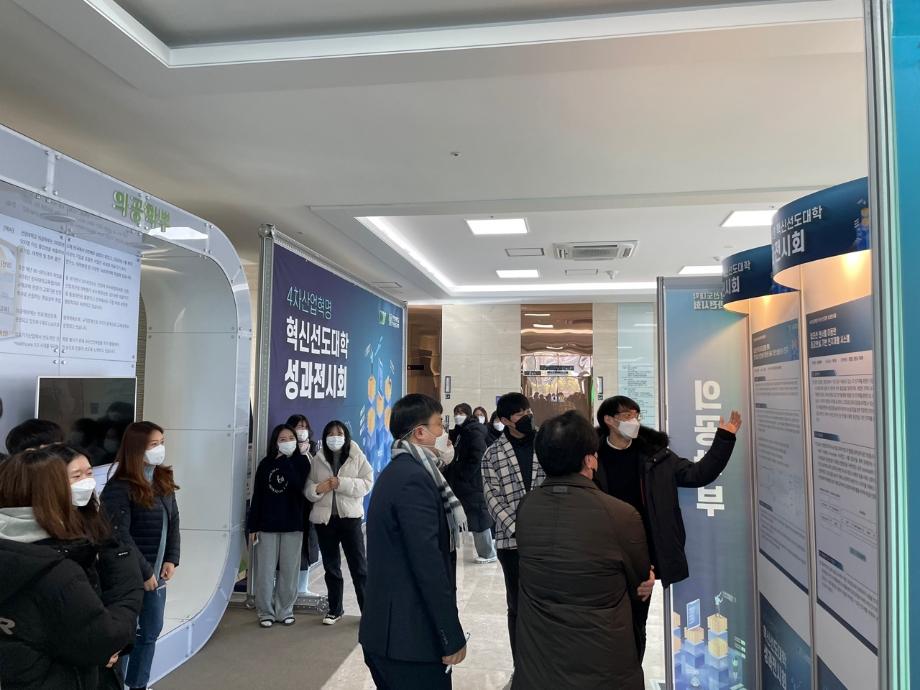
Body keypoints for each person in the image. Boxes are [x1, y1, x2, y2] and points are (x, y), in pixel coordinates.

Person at [594, 395, 741, 661]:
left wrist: (724, 438)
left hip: (643, 557)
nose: (634, 421)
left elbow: (697, 474)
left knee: (636, 625)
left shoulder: (655, 456)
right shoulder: (592, 458)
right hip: (603, 555)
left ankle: (631, 673)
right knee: (603, 626)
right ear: (609, 420)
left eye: (636, 415)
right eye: (627, 416)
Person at [512, 411, 650, 690]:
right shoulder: (621, 514)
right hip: (603, 661)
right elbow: (639, 582)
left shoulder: (527, 506)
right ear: (589, 459)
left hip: (538, 659)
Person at [0, 448, 143, 690]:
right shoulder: (57, 572)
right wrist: (127, 578)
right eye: (71, 479)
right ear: (51, 493)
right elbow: (102, 640)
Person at [360, 394, 467, 689]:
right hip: (409, 642)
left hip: (392, 637)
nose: (443, 433)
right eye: (439, 425)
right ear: (420, 432)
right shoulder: (414, 480)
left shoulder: (399, 471)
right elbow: (428, 564)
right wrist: (450, 634)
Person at [101, 421, 180, 690]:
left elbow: (173, 521)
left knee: (150, 631)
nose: (160, 449)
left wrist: (172, 558)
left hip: (158, 574)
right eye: (153, 444)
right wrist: (144, 571)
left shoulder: (162, 478)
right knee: (125, 636)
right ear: (136, 449)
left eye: (162, 443)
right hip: (130, 576)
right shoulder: (119, 488)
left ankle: (138, 685)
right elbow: (118, 536)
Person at [482, 393, 544, 668]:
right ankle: (522, 665)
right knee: (517, 605)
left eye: (528, 411)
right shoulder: (493, 454)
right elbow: (492, 498)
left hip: (547, 538)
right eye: (520, 414)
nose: (527, 416)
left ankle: (545, 664)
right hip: (512, 543)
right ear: (506, 420)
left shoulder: (546, 443)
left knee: (546, 604)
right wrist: (520, 530)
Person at [305, 420, 373, 625]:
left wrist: (341, 483)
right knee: (331, 567)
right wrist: (318, 489)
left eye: (339, 433)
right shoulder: (318, 458)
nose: (335, 437)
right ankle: (335, 609)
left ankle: (368, 612)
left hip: (350, 519)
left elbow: (367, 483)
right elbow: (308, 487)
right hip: (325, 521)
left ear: (346, 436)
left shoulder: (357, 456)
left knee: (359, 567)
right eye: (331, 434)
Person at [247, 423, 311, 628]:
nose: (287, 442)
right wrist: (253, 526)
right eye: (282, 439)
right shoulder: (265, 464)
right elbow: (257, 496)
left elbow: (299, 486)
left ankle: (285, 610)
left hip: (293, 525)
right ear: (275, 442)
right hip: (267, 526)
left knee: (289, 571)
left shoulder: (302, 462)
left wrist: (285, 461)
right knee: (265, 572)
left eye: (291, 438)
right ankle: (265, 611)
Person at [445, 403, 496, 564]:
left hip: (472, 482)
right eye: (455, 412)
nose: (457, 416)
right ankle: (485, 551)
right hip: (464, 483)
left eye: (461, 413)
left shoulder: (474, 432)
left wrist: (464, 475)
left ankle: (488, 553)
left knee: (479, 515)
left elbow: (477, 456)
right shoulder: (462, 432)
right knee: (474, 516)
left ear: (467, 414)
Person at [286, 413, 321, 593]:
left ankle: (302, 589)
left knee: (307, 548)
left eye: (305, 427)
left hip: (310, 506)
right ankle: (285, 589)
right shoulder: (284, 451)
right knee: (289, 549)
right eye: (299, 426)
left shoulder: (313, 450)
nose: (302, 430)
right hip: (290, 507)